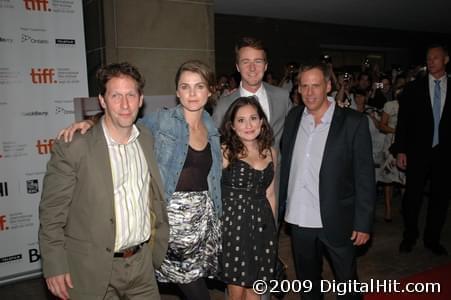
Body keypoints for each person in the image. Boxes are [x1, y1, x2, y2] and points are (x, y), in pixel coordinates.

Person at [58, 60, 223, 300]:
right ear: (177, 92)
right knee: (197, 292)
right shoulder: (162, 121)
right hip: (173, 224)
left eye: (199, 86)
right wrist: (89, 123)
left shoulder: (211, 127)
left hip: (202, 224)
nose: (192, 93)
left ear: (210, 91)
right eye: (185, 86)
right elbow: (123, 122)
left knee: (197, 284)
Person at [39, 62, 169, 300]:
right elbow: (52, 213)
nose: (124, 104)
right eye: (115, 95)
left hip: (141, 265)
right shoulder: (75, 146)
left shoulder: (147, 139)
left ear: (141, 100)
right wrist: (55, 264)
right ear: (102, 100)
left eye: (131, 95)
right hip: (92, 267)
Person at [279, 63, 376, 300]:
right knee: (308, 283)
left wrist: (363, 222)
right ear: (298, 89)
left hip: (337, 218)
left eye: (316, 86)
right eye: (304, 86)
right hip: (299, 219)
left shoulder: (353, 122)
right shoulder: (292, 117)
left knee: (347, 285)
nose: (310, 92)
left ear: (329, 86)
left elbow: (365, 176)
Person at [219, 96, 278, 300]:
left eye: (253, 118)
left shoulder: (271, 152)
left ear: (262, 122)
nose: (248, 125)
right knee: (237, 294)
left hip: (263, 228)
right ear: (233, 126)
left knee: (256, 291)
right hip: (234, 228)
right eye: (241, 120)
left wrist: (274, 229)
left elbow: (270, 193)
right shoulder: (225, 152)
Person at [396, 44, 451, 256]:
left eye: (436, 57)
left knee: (440, 198)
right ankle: (409, 236)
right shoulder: (413, 88)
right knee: (412, 197)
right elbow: (403, 122)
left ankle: (432, 238)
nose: (431, 61)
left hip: (445, 153)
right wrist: (401, 150)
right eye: (429, 58)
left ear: (445, 60)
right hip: (418, 152)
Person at [212, 36, 291, 150]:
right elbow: (214, 144)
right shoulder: (224, 105)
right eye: (246, 62)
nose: (252, 68)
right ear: (238, 67)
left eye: (258, 61)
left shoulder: (282, 97)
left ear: (266, 66)